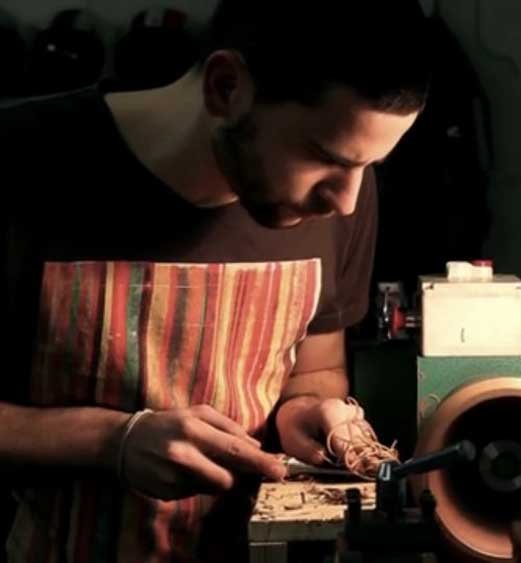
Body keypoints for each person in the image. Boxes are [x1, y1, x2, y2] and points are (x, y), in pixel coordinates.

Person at [0, 1, 430, 561]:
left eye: (367, 167)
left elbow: (314, 372)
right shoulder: (18, 160)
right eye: (325, 156)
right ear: (226, 88)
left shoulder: (338, 194)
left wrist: (307, 413)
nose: (347, 201)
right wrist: (111, 442)